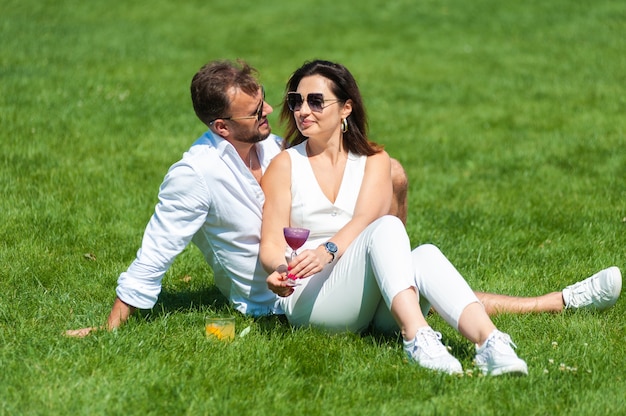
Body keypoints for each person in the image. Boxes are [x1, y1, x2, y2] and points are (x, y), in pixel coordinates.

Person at [65, 59, 621, 363]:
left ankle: (553, 307)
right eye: (257, 112)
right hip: (278, 297)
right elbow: (155, 253)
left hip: (336, 269)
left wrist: (384, 192)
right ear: (220, 127)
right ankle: (420, 340)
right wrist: (113, 329)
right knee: (400, 255)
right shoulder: (195, 177)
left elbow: (378, 183)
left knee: (419, 263)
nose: (274, 114)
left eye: (269, 103)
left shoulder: (273, 148)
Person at [258, 59, 621, 376]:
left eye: (315, 100)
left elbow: (365, 216)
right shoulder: (285, 164)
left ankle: (490, 343)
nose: (303, 110)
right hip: (312, 300)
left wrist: (330, 251)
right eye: (296, 101)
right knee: (386, 228)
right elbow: (272, 246)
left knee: (426, 253)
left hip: (363, 298)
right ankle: (417, 337)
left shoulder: (375, 160)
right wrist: (279, 272)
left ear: (346, 108)